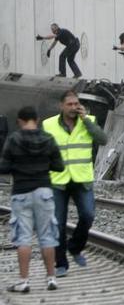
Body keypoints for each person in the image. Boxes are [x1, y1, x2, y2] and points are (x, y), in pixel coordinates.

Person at [0, 106, 65, 292]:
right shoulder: (48, 138)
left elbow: (3, 167)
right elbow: (59, 166)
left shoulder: (14, 139)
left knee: (24, 238)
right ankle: (51, 278)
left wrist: (18, 166)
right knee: (47, 237)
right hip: (44, 191)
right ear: (36, 119)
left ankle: (24, 281)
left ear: (20, 120)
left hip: (21, 192)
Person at [43, 91, 107, 278]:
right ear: (61, 106)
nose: (73, 107)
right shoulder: (49, 125)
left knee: (88, 216)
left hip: (81, 180)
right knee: (58, 223)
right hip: (58, 181)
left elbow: (102, 140)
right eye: (69, 104)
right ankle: (60, 263)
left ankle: (75, 247)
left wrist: (86, 119)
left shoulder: (88, 121)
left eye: (76, 104)